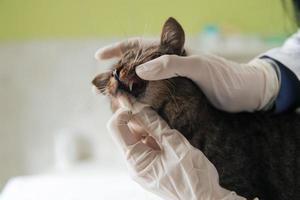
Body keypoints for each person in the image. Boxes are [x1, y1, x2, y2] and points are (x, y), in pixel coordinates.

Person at [95, 1, 300, 199]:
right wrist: (272, 76)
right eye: (114, 74)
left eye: (137, 58)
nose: (117, 74)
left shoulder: (222, 139)